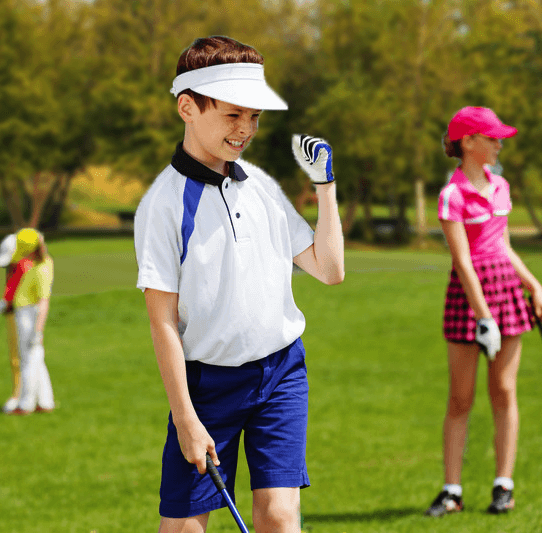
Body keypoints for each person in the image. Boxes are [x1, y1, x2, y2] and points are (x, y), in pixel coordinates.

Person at [134, 36, 344, 533]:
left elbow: (330, 270)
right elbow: (162, 321)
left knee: (279, 515)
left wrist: (326, 187)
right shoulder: (163, 205)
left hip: (281, 373)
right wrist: (186, 419)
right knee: (184, 528)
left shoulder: (263, 188)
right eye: (233, 116)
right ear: (187, 107)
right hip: (206, 386)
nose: (246, 129)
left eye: (254, 117)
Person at [424, 107, 542, 516]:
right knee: (461, 398)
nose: (500, 145)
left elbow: (503, 246)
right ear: (468, 142)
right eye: (493, 138)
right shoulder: (452, 195)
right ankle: (452, 490)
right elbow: (463, 260)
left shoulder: (501, 187)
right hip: (469, 298)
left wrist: (534, 284)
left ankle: (503, 484)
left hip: (507, 291)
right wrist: (484, 318)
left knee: (505, 391)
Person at [5, 228, 54, 415]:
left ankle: (25, 404)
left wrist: (38, 331)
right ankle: (45, 401)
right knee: (36, 360)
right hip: (24, 312)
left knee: (28, 361)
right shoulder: (40, 262)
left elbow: (43, 304)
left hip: (30, 316)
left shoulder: (41, 269)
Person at [0, 234, 26, 413]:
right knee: (18, 357)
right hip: (14, 313)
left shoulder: (23, 265)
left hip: (22, 315)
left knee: (20, 357)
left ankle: (19, 395)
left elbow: (13, 292)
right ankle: (22, 395)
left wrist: (3, 304)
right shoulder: (14, 266)